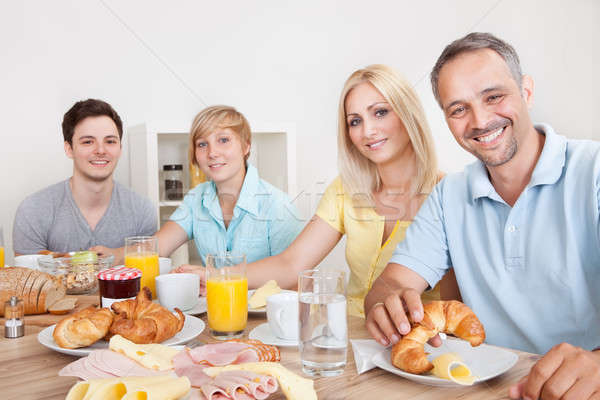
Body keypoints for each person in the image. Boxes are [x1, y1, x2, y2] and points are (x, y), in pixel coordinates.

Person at [364, 33, 600, 400]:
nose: (480, 120)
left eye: (494, 97)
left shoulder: (594, 171)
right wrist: (388, 305)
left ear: (527, 91)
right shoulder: (448, 195)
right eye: (458, 109)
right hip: (479, 390)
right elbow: (390, 286)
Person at [180, 65, 458, 318]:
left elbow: (456, 305)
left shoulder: (446, 196)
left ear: (408, 114)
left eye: (380, 112)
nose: (368, 131)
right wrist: (216, 273)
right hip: (348, 337)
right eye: (355, 121)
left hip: (417, 343)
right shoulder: (345, 190)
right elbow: (292, 264)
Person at [106, 105, 303, 270]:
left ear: (246, 146)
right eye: (202, 144)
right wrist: (113, 255)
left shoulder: (278, 205)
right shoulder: (196, 199)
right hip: (215, 314)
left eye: (223, 140)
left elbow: (293, 277)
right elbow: (155, 248)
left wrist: (213, 276)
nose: (212, 152)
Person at [13, 99, 156, 255]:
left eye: (110, 141)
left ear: (120, 149)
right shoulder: (33, 211)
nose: (101, 150)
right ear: (69, 149)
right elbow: (27, 277)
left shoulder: (142, 211)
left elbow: (146, 276)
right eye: (88, 142)